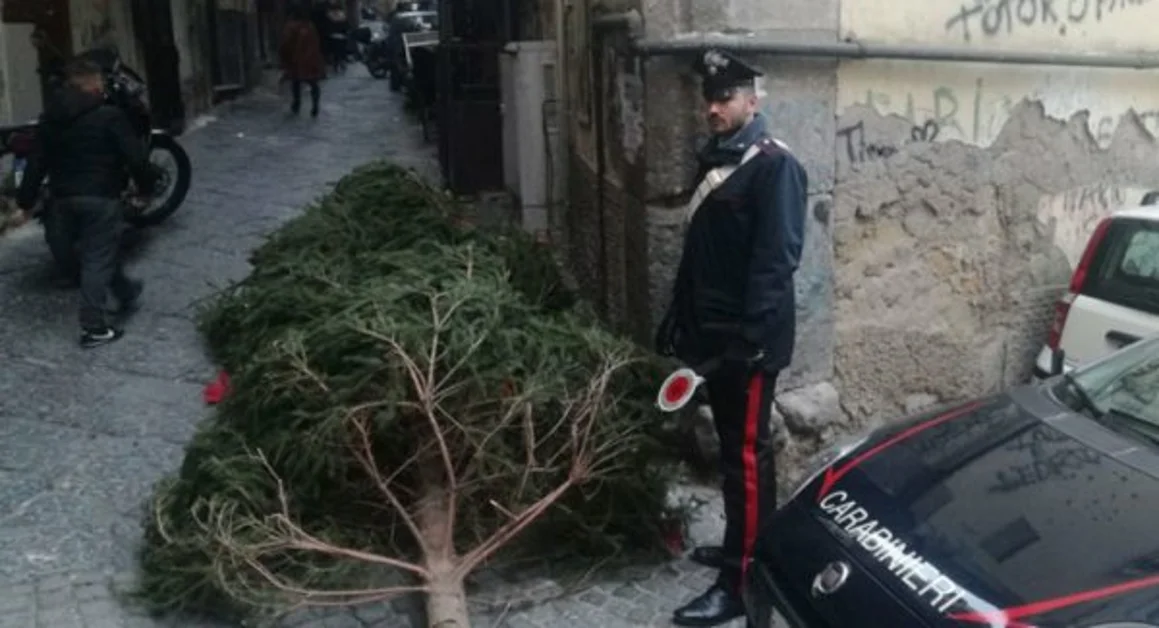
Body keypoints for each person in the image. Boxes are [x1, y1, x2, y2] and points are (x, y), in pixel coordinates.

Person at [655, 48, 808, 626]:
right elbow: (704, 252)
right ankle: (742, 544)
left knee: (747, 460)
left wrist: (745, 343)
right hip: (713, 338)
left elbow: (777, 262)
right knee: (732, 455)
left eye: (726, 98)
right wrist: (679, 316)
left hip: (748, 344)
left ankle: (740, 583)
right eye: (709, 98)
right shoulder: (718, 156)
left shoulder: (774, 166)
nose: (714, 107)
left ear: (753, 100)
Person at [15, 57, 157, 348]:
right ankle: (94, 328)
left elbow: (36, 163)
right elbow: (136, 159)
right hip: (99, 198)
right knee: (96, 256)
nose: (103, 88)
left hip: (60, 201)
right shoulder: (109, 116)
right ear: (91, 86)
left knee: (97, 253)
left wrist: (26, 201)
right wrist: (145, 188)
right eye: (101, 83)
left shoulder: (49, 119)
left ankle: (125, 290)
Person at [280, 4, 325, 116]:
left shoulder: (290, 27)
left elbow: (286, 44)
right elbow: (317, 43)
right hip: (311, 60)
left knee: (296, 82)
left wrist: (284, 60)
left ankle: (297, 104)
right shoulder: (310, 26)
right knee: (313, 83)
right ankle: (315, 105)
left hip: (297, 60)